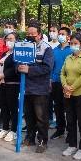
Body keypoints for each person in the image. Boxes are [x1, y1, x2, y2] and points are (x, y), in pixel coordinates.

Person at [19, 21, 55, 153]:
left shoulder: (46, 48)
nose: (29, 36)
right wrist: (19, 68)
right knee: (29, 116)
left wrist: (29, 70)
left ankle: (42, 141)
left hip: (40, 89)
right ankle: (30, 137)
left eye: (33, 34)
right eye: (28, 34)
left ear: (39, 35)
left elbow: (47, 68)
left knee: (41, 117)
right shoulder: (23, 46)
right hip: (26, 88)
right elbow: (17, 61)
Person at [0, 32, 19, 141]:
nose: (9, 41)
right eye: (7, 39)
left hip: (12, 84)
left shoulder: (17, 53)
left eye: (11, 39)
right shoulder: (5, 53)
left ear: (16, 40)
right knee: (4, 107)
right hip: (2, 84)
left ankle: (13, 130)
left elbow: (15, 68)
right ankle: (5, 128)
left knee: (12, 108)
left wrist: (3, 75)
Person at [50, 27, 73, 140]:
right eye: (59, 33)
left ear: (68, 36)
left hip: (67, 84)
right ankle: (60, 129)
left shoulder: (72, 50)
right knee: (58, 107)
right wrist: (50, 79)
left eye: (62, 34)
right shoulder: (54, 50)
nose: (60, 36)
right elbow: (51, 66)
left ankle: (70, 132)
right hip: (55, 82)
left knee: (68, 109)